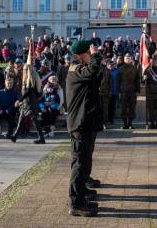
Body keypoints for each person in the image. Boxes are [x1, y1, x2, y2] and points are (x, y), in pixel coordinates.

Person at [66, 40, 102, 217]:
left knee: (85, 162)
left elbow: (96, 76)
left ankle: (82, 194)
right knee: (79, 164)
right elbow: (92, 71)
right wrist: (96, 57)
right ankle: (76, 203)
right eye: (89, 51)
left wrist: (96, 60)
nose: (92, 53)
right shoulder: (76, 69)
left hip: (86, 122)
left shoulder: (83, 69)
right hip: (79, 124)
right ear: (80, 55)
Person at [12, 63, 45, 144]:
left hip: (30, 104)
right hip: (26, 103)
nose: (23, 70)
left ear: (27, 70)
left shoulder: (30, 80)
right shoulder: (29, 79)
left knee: (35, 121)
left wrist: (19, 100)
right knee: (20, 119)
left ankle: (41, 138)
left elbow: (27, 93)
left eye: (24, 69)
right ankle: (15, 136)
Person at [117, 53, 140, 129]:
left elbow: (137, 80)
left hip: (132, 91)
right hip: (123, 91)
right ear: (124, 59)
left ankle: (130, 123)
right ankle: (124, 124)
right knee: (123, 108)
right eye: (126, 58)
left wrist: (138, 89)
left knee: (132, 108)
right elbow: (118, 81)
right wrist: (118, 91)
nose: (128, 59)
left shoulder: (134, 68)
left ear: (131, 59)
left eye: (129, 58)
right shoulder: (120, 69)